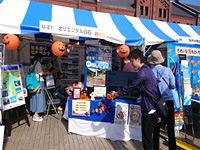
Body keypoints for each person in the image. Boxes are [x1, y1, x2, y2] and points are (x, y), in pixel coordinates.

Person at [111, 49, 159, 150]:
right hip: (152, 108)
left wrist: (117, 93)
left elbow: (130, 86)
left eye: (132, 61)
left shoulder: (142, 73)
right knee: (149, 139)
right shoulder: (147, 70)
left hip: (149, 109)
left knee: (147, 141)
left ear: (138, 59)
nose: (132, 64)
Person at [147, 50, 176, 150]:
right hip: (168, 101)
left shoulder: (150, 72)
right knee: (171, 129)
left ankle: (156, 148)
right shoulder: (168, 70)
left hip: (157, 102)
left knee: (156, 129)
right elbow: (172, 85)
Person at [30, 53, 50, 122]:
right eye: (42, 59)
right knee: (39, 98)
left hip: (34, 84)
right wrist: (46, 72)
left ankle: (34, 113)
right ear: (39, 58)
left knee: (35, 98)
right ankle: (36, 115)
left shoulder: (33, 64)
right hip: (38, 83)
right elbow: (40, 73)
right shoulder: (38, 63)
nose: (42, 60)